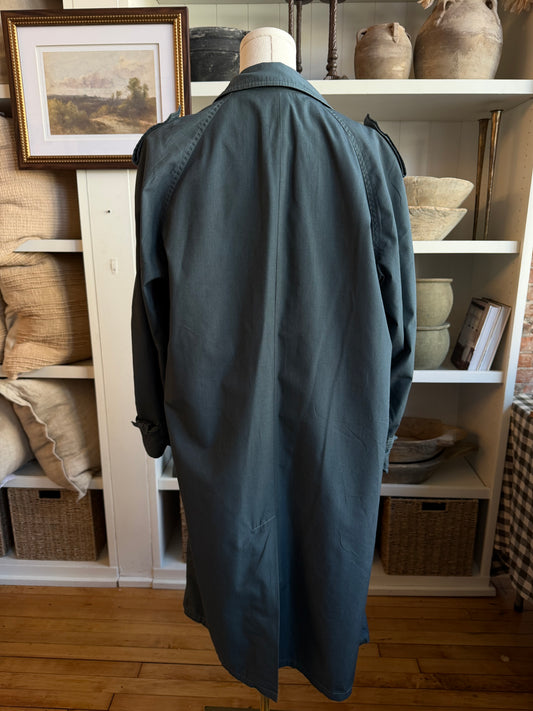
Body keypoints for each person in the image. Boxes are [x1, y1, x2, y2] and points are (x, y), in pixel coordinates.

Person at [131, 27, 416, 703]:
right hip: (341, 407)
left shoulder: (171, 151)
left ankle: (252, 656)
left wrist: (156, 424)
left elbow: (149, 311)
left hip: (213, 406)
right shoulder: (367, 152)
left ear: (241, 61)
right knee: (330, 541)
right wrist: (383, 423)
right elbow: (401, 314)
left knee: (237, 542)